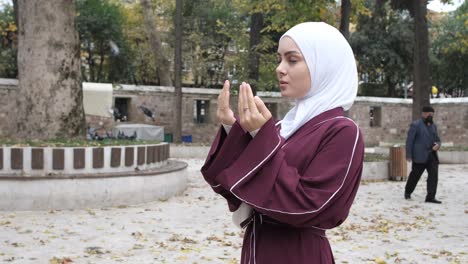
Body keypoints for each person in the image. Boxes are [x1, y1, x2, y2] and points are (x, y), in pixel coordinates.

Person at [201, 22, 364, 264]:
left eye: (292, 60)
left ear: (324, 65)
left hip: (297, 252)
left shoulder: (342, 131)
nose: (280, 69)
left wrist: (260, 137)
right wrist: (231, 130)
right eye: (279, 59)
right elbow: (232, 187)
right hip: (257, 246)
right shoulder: (281, 127)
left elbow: (308, 205)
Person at [404, 106, 442, 204]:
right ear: (423, 114)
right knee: (415, 176)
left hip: (432, 156)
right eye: (429, 114)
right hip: (419, 156)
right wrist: (408, 155)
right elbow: (409, 141)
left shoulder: (434, 126)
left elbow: (437, 139)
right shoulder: (415, 125)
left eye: (432, 115)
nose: (430, 116)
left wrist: (438, 145)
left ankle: (430, 197)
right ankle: (408, 191)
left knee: (433, 177)